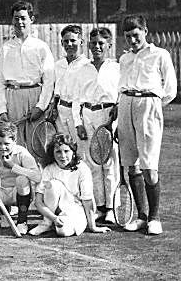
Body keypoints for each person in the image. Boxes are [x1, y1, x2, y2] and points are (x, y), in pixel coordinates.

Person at [117, 15, 177, 235]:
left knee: (149, 167)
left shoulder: (160, 54)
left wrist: (152, 106)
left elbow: (170, 89)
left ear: (145, 31)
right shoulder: (124, 59)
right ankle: (142, 216)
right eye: (128, 36)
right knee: (131, 165)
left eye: (136, 35)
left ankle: (154, 217)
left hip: (149, 106)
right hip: (125, 105)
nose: (132, 40)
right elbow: (120, 86)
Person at [0, 0, 55, 154]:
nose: (19, 22)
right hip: (12, 98)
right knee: (14, 147)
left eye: (23, 18)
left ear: (31, 20)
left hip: (35, 96)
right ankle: (17, 178)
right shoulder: (5, 48)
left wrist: (41, 106)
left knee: (38, 146)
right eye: (16, 18)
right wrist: (2, 109)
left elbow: (49, 81)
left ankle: (38, 177)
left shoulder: (41, 47)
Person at [74, 27, 120, 223]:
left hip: (108, 115)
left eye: (101, 43)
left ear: (109, 45)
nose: (97, 47)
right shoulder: (84, 68)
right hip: (87, 115)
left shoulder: (116, 67)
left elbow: (121, 95)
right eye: (93, 43)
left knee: (109, 162)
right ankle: (99, 206)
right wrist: (78, 123)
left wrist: (114, 120)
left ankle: (111, 207)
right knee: (92, 163)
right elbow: (76, 98)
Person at [29, 134, 111, 236]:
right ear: (53, 154)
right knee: (53, 185)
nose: (62, 156)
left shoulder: (83, 169)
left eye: (66, 151)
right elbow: (38, 202)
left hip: (77, 208)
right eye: (58, 152)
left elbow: (87, 200)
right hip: (55, 211)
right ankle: (46, 224)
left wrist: (93, 227)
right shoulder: (48, 169)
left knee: (63, 231)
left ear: (73, 152)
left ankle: (72, 221)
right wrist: (53, 218)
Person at [52, 25, 90, 157]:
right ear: (62, 43)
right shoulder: (58, 65)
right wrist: (54, 106)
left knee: (80, 151)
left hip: (77, 115)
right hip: (60, 114)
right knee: (64, 151)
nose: (69, 44)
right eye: (66, 41)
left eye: (73, 40)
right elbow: (56, 90)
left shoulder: (87, 66)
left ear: (81, 42)